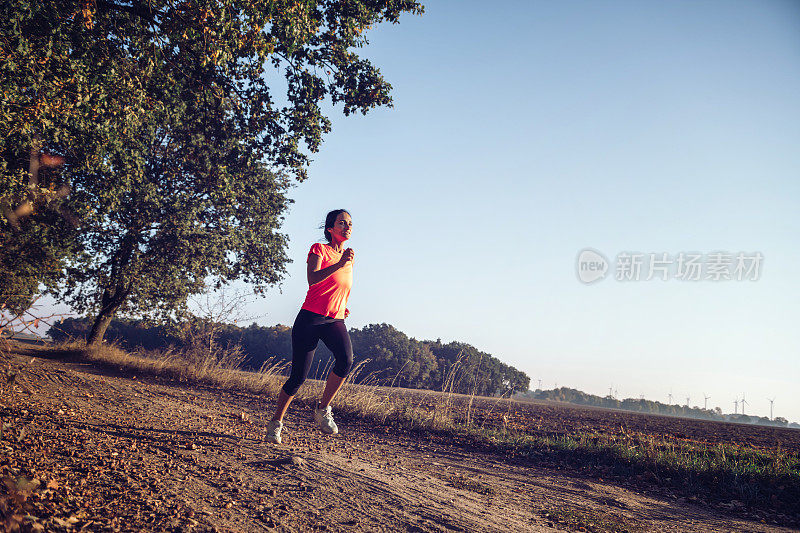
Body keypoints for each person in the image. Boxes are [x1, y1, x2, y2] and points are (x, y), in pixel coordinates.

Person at [266, 209, 354, 444]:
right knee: (298, 377)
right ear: (330, 228)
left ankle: (323, 409)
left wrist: (342, 306)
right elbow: (313, 279)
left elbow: (341, 288)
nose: (347, 227)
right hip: (310, 319)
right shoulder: (319, 249)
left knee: (346, 359)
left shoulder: (348, 257)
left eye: (350, 224)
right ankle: (276, 423)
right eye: (342, 223)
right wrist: (339, 264)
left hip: (334, 319)